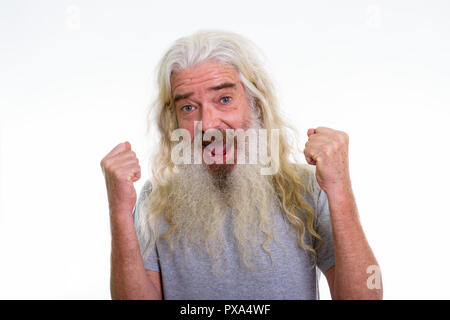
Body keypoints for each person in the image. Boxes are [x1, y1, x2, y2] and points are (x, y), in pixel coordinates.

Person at [100, 30, 383, 300]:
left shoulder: (308, 188)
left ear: (256, 104)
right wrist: (119, 211)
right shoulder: (154, 200)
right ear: (173, 119)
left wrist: (339, 187)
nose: (207, 124)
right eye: (188, 107)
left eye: (224, 99)